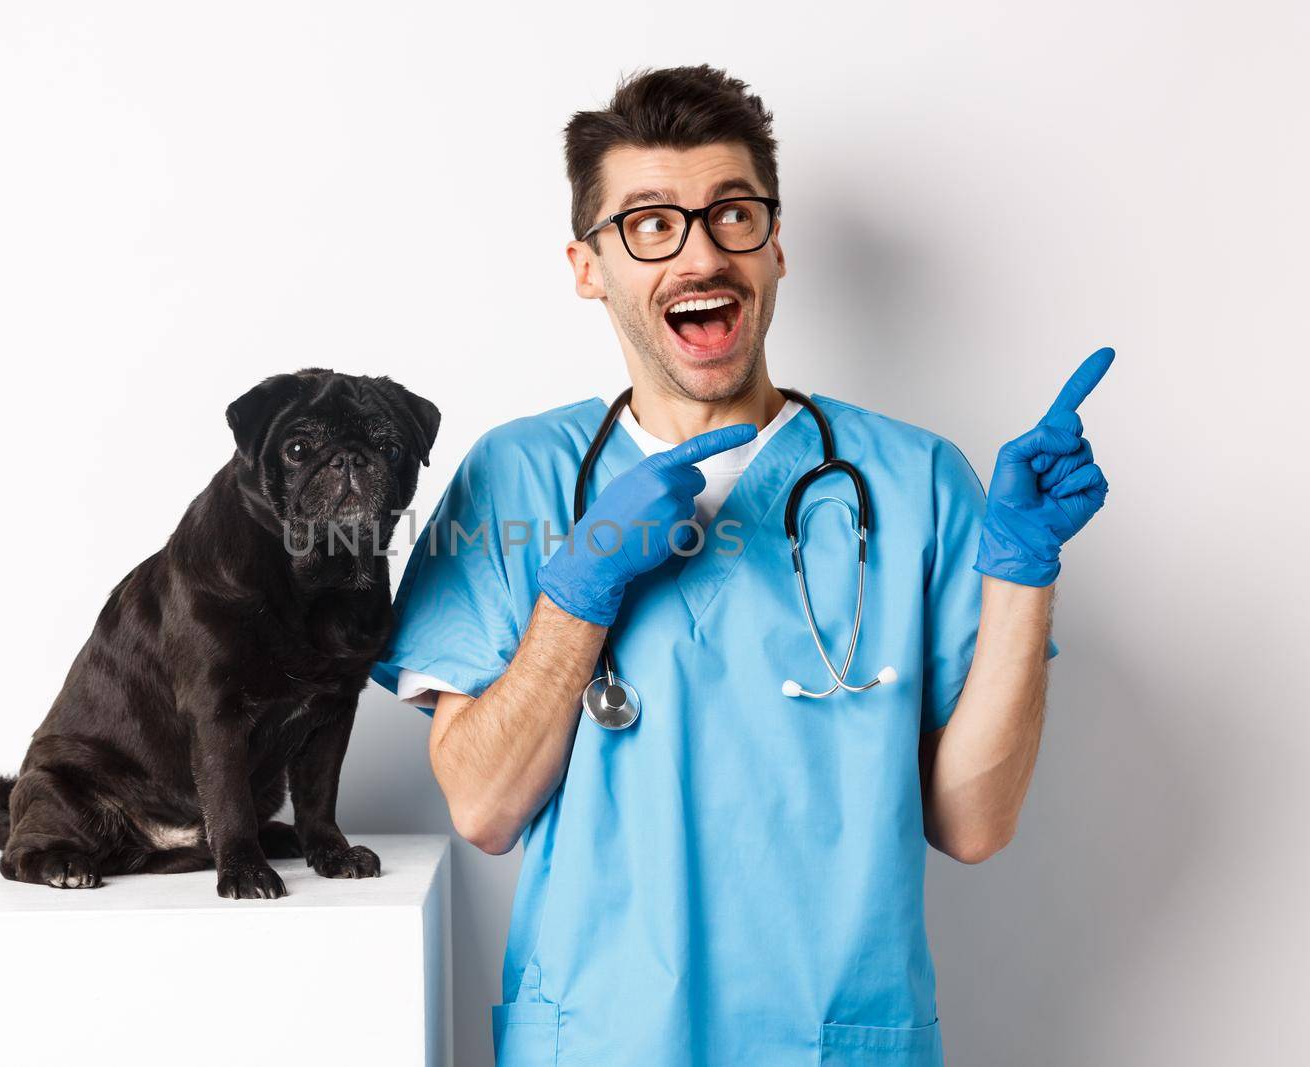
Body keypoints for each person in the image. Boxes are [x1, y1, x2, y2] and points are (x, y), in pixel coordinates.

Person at [370, 64, 1111, 1067]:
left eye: (732, 213)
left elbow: (973, 823)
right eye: (648, 223)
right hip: (600, 1037)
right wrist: (577, 589)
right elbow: (484, 806)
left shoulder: (915, 479)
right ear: (588, 265)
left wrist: (1022, 568)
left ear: (774, 244)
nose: (699, 252)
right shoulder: (519, 476)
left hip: (834, 1036)